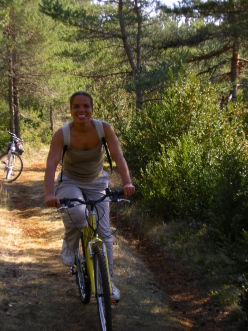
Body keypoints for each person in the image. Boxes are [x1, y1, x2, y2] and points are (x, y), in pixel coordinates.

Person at [44, 91, 135, 301]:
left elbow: (118, 156)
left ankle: (109, 283)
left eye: (85, 106)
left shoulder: (104, 129)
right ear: (70, 110)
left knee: (105, 234)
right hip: (70, 182)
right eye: (76, 106)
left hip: (96, 181)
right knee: (78, 214)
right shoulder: (62, 134)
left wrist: (127, 182)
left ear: (92, 109)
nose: (81, 110)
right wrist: (50, 192)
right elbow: (51, 164)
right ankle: (70, 242)